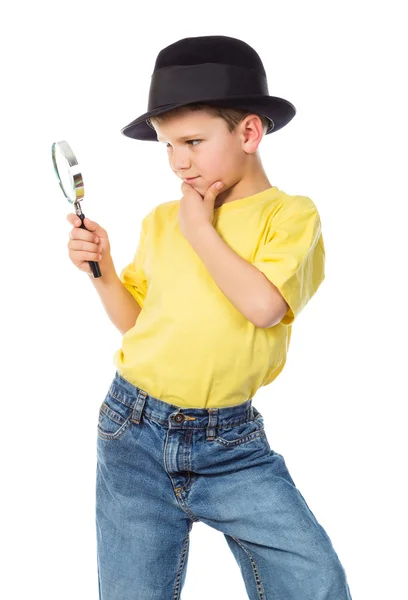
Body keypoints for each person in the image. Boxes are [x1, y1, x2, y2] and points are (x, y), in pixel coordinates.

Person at [67, 35, 352, 600]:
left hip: (230, 444)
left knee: (314, 580)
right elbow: (139, 324)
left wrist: (200, 228)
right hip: (132, 429)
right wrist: (101, 270)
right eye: (167, 146)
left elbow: (265, 305)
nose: (179, 162)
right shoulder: (160, 220)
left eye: (193, 141)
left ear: (249, 132)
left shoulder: (289, 216)